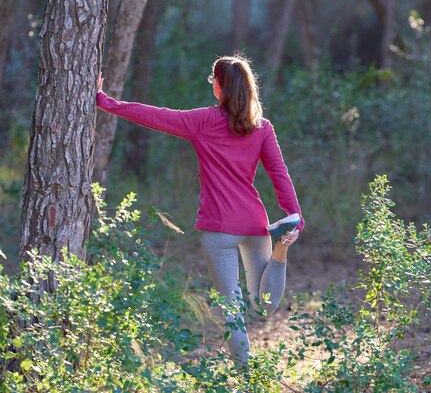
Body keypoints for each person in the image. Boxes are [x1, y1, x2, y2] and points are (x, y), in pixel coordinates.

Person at [96, 54, 304, 367]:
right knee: (264, 304)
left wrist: (104, 101)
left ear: (219, 88)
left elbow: (154, 115)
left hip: (219, 229)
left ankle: (245, 375)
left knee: (233, 311)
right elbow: (279, 173)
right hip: (253, 224)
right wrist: (294, 217)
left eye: (213, 81)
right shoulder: (261, 128)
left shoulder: (203, 121)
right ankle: (281, 252)